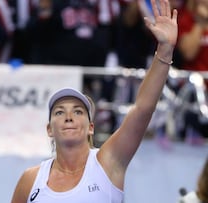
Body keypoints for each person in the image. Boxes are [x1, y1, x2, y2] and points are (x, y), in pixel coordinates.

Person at [11, 0, 178, 202]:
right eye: (59, 112)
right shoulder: (30, 180)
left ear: (91, 127)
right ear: (49, 129)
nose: (69, 117)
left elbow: (143, 108)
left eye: (78, 111)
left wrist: (165, 49)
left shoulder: (108, 162)